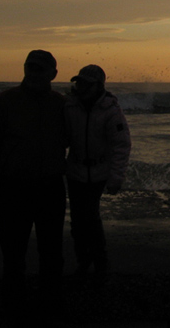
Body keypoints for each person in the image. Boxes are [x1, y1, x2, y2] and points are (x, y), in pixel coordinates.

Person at [0, 49, 67, 320]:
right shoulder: (3, 103)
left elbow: (85, 138)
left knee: (52, 252)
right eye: (30, 68)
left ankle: (51, 307)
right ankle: (13, 308)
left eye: (40, 69)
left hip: (51, 188)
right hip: (13, 188)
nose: (34, 74)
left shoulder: (62, 106)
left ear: (53, 74)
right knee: (13, 254)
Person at [64, 64, 131, 275]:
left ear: (98, 86)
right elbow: (61, 138)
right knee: (77, 220)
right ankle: (83, 260)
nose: (82, 87)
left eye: (87, 83)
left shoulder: (111, 111)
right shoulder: (69, 106)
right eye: (79, 82)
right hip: (75, 171)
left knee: (90, 217)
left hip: (99, 172)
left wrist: (116, 177)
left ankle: (101, 262)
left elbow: (121, 145)